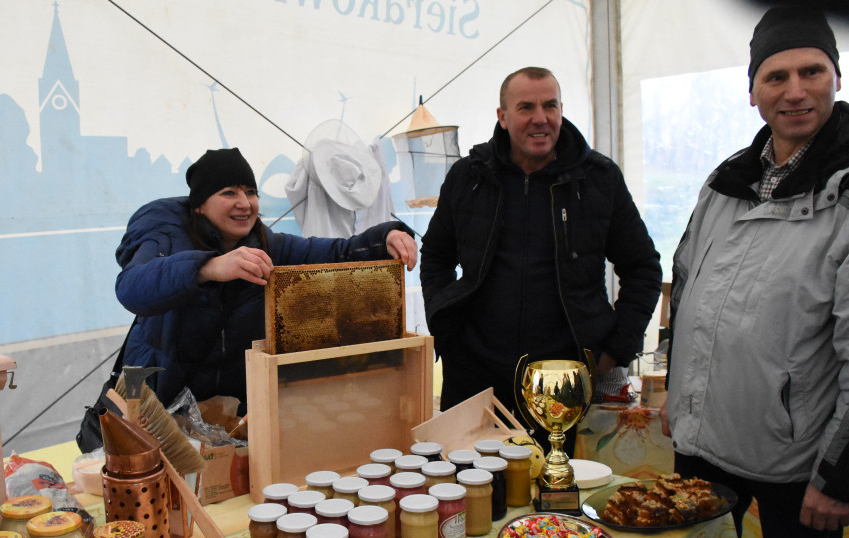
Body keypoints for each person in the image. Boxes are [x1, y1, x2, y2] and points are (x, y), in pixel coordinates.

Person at [663, 8, 849, 538]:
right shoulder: (726, 181)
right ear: (752, 91)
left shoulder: (845, 191)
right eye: (776, 75)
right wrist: (679, 393)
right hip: (706, 437)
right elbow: (682, 286)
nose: (794, 90)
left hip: (798, 455)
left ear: (835, 77)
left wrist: (839, 473)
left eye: (811, 72)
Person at [420, 66, 662, 432]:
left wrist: (613, 352)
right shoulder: (469, 176)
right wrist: (449, 334)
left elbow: (643, 268)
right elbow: (436, 255)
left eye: (550, 106)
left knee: (560, 486)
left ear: (561, 110)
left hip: (566, 381)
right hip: (475, 377)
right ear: (502, 117)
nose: (540, 119)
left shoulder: (599, 179)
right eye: (526, 107)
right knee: (472, 485)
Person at [114, 147, 417, 412]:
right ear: (199, 205)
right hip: (158, 402)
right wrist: (207, 267)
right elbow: (132, 287)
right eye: (228, 193)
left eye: (250, 192)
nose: (244, 203)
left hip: (232, 410)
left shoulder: (268, 246)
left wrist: (384, 237)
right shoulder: (167, 235)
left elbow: (338, 253)